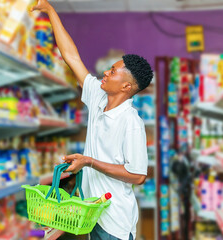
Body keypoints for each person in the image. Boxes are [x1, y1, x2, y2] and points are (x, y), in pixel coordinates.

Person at [32, 1, 153, 240]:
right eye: (109, 68)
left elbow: (138, 175)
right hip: (92, 212)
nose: (106, 72)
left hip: (115, 223)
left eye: (114, 71)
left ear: (126, 86)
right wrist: (50, 11)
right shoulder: (98, 97)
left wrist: (89, 162)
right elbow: (72, 57)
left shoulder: (131, 122)